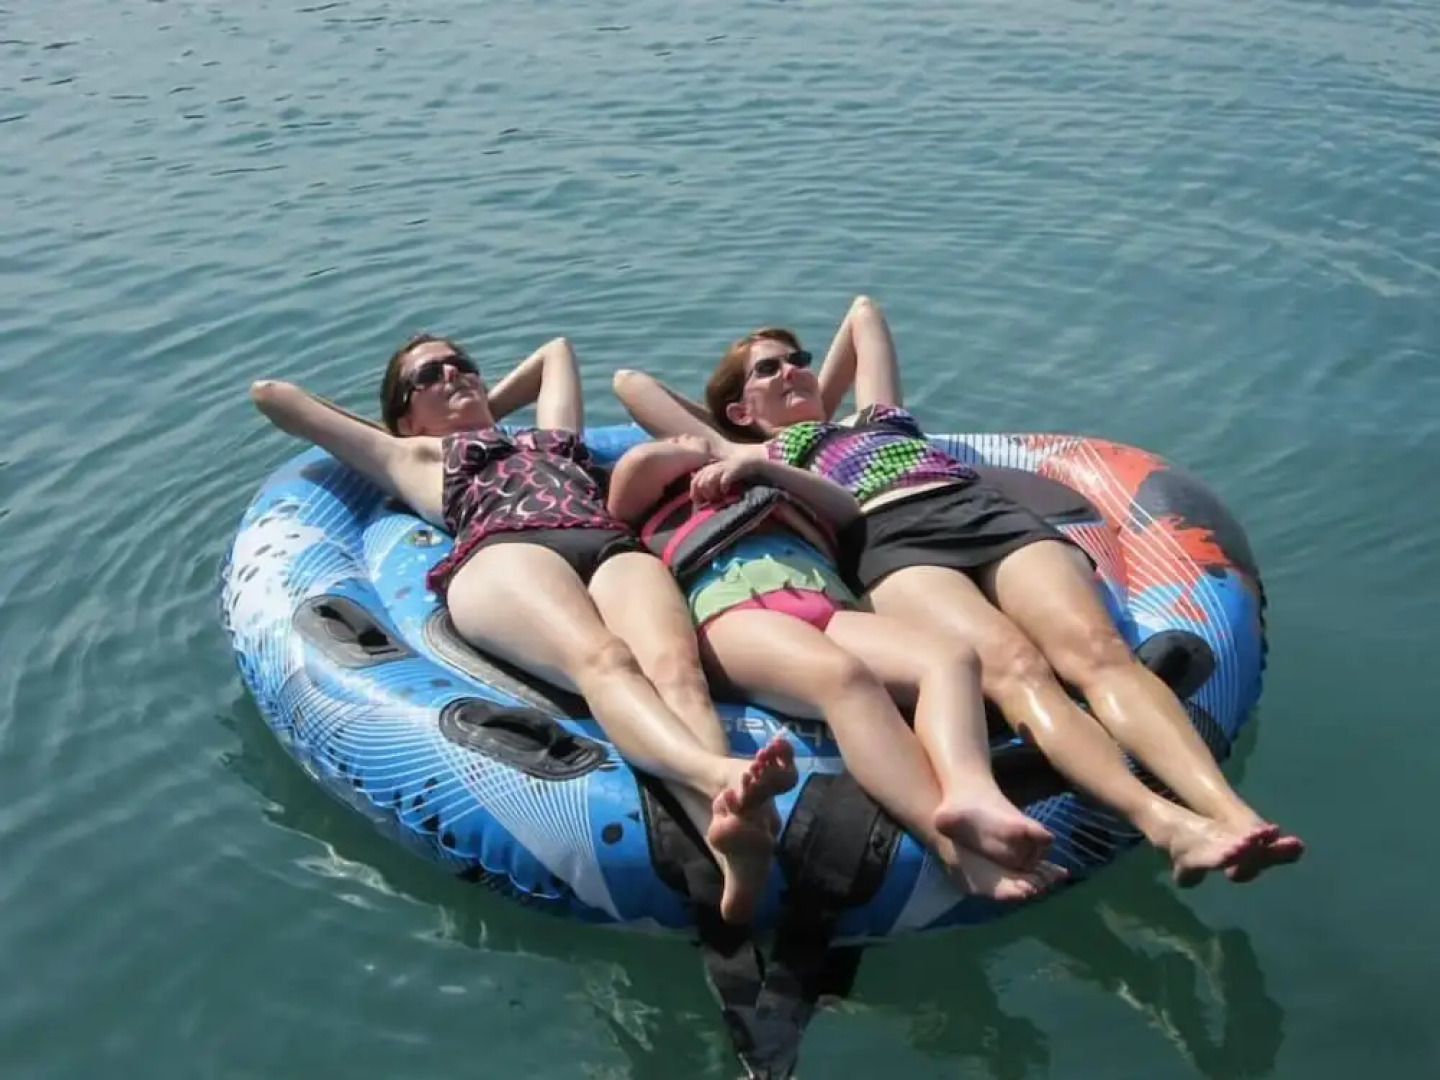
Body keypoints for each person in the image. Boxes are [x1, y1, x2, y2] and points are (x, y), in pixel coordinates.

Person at [612, 296, 1305, 886]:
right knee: (1014, 670)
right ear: (739, 407)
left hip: (980, 512)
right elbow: (631, 384)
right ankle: (1165, 824)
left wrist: (807, 393)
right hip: (891, 545)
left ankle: (1232, 816)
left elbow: (864, 315)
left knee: (1097, 652)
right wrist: (753, 426)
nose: (791, 368)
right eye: (770, 368)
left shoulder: (879, 417)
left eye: (796, 356)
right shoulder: (751, 455)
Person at [250, 332, 797, 924]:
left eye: (462, 366)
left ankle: (728, 839)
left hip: (608, 544)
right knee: (604, 659)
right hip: (506, 551)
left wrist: (482, 410)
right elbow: (273, 396)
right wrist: (409, 435)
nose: (453, 375)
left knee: (678, 672)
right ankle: (717, 776)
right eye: (429, 376)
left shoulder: (554, 439)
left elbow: (556, 353)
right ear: (405, 416)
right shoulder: (415, 458)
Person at [606, 434, 1063, 901]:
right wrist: (701, 449)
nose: (687, 440)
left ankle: (973, 795)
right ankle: (955, 853)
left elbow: (846, 511)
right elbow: (632, 473)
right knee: (844, 678)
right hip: (735, 609)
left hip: (824, 603)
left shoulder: (769, 480)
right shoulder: (658, 497)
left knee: (951, 659)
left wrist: (760, 467)